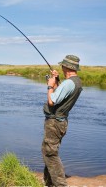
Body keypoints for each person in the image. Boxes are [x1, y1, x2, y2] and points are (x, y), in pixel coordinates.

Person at [41, 55, 83, 186]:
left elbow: (52, 101)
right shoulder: (75, 81)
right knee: (49, 151)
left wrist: (50, 86)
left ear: (67, 67)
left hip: (55, 123)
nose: (61, 67)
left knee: (50, 154)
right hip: (60, 122)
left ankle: (60, 184)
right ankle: (49, 183)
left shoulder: (69, 83)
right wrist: (57, 80)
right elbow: (62, 94)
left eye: (62, 65)